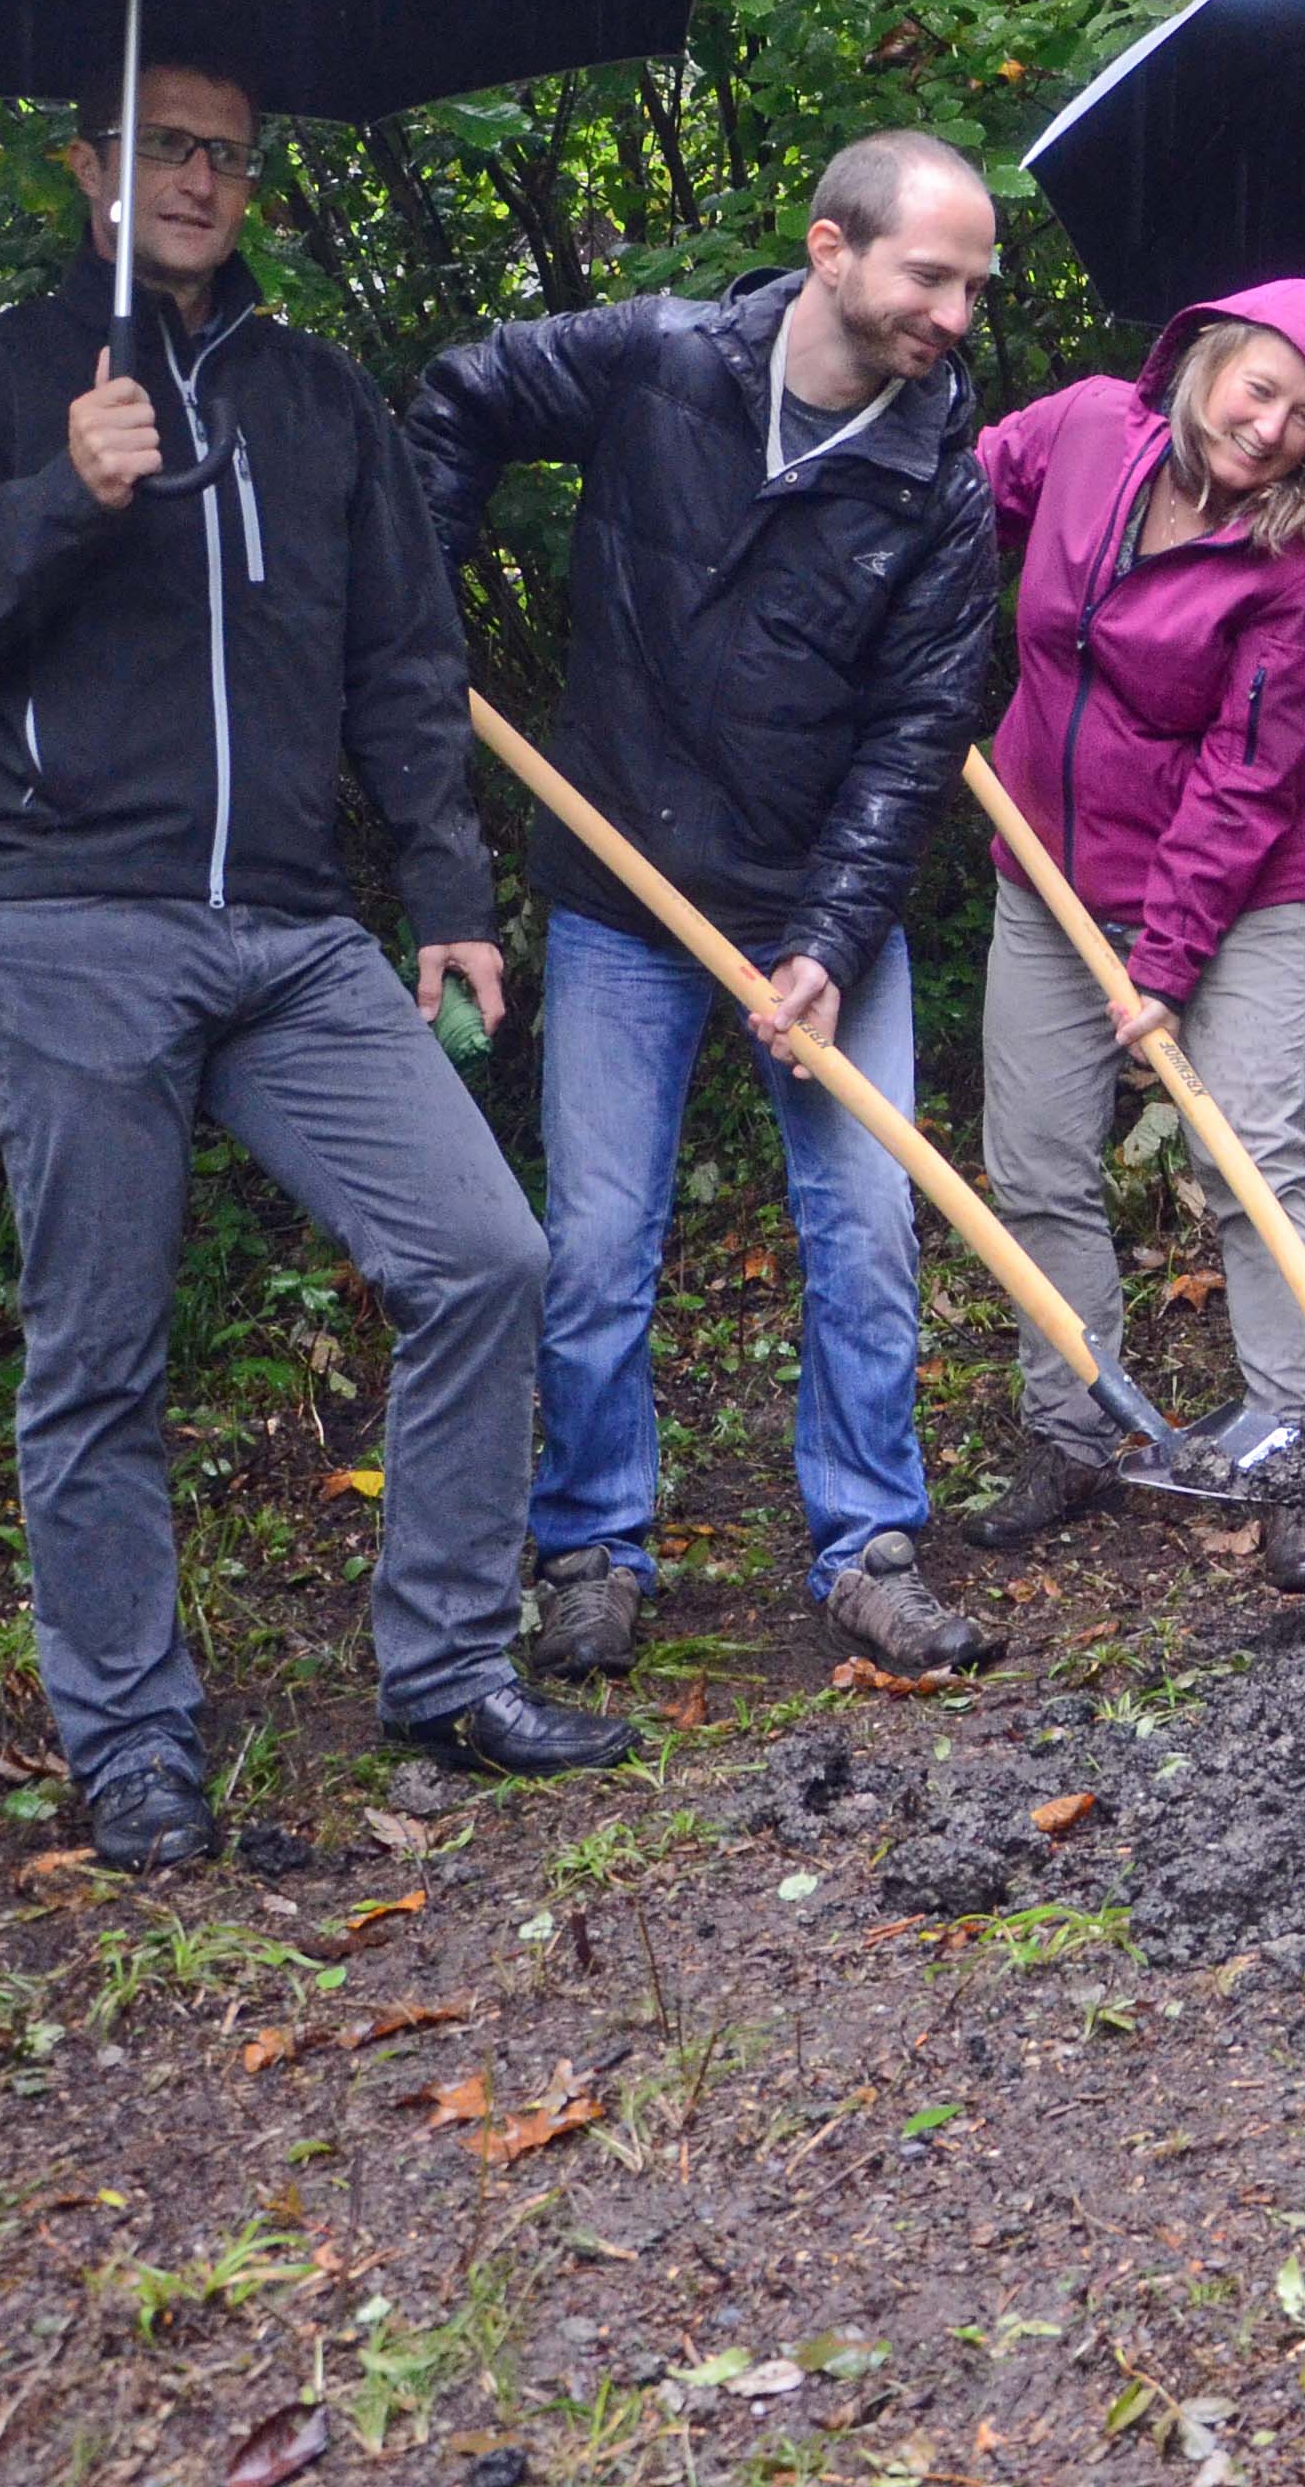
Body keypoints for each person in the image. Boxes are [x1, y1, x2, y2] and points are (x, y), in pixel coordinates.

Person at [0, 60, 629, 1874]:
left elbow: (403, 664)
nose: (199, 178)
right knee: (98, 1354)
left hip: (290, 930)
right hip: (71, 922)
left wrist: (445, 886)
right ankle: (132, 1743)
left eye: (226, 153)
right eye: (163, 145)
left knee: (485, 1249)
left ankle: (444, 1664)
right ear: (87, 162)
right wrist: (63, 491)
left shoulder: (315, 394)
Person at [406, 131, 1011, 1681]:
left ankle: (868, 1540)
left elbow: (914, 738)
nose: (954, 312)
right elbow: (462, 392)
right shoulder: (658, 359)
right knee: (599, 1243)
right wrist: (414, 604)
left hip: (821, 898)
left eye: (973, 286)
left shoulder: (942, 480)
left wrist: (826, 943)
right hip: (620, 884)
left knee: (869, 1228)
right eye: (928, 275)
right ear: (830, 248)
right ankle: (593, 1549)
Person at [966, 280, 1305, 1596]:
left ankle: (1304, 1462)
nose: (1265, 429)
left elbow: (1246, 781)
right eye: (1258, 388)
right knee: (1036, 1161)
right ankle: (1076, 1425)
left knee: (1251, 1161)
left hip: (1244, 887)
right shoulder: (1090, 428)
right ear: (1211, 356)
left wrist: (1162, 968)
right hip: (1045, 861)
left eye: (1301, 423)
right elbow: (950, 502)